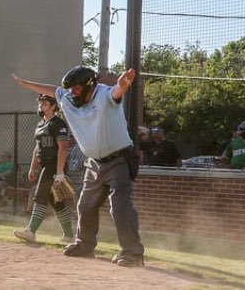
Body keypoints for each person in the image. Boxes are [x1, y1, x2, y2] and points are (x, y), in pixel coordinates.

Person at [12, 65, 145, 267]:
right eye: (70, 88)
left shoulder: (103, 95)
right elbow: (52, 89)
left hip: (118, 159)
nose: (72, 92)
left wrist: (123, 84)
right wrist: (25, 83)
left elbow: (117, 92)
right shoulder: (67, 98)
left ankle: (133, 254)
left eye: (77, 89)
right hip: (93, 162)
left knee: (119, 205)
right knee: (85, 204)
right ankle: (84, 245)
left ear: (89, 85)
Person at [13, 95, 76, 245]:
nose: (41, 105)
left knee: (40, 195)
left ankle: (31, 231)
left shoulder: (58, 123)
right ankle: (69, 236)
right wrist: (32, 168)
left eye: (45, 103)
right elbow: (37, 148)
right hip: (45, 166)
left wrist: (60, 172)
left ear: (53, 106)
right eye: (40, 103)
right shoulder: (41, 123)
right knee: (55, 202)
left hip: (54, 165)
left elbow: (63, 148)